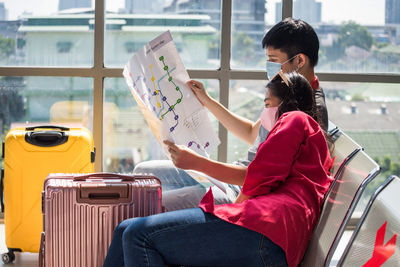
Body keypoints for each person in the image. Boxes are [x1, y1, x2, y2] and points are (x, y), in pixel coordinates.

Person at [103, 72, 333, 267]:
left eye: (268, 103)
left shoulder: (295, 118)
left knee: (138, 236)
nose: (265, 112)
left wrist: (199, 165)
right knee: (125, 229)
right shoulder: (310, 135)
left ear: (287, 102)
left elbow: (260, 177)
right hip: (270, 233)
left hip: (268, 232)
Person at [133, 18, 329, 211]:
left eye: (274, 61)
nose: (269, 68)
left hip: (242, 192)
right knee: (143, 173)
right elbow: (253, 133)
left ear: (299, 60)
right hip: (233, 178)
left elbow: (261, 177)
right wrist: (208, 101)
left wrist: (198, 163)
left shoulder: (305, 111)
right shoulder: (290, 92)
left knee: (147, 201)